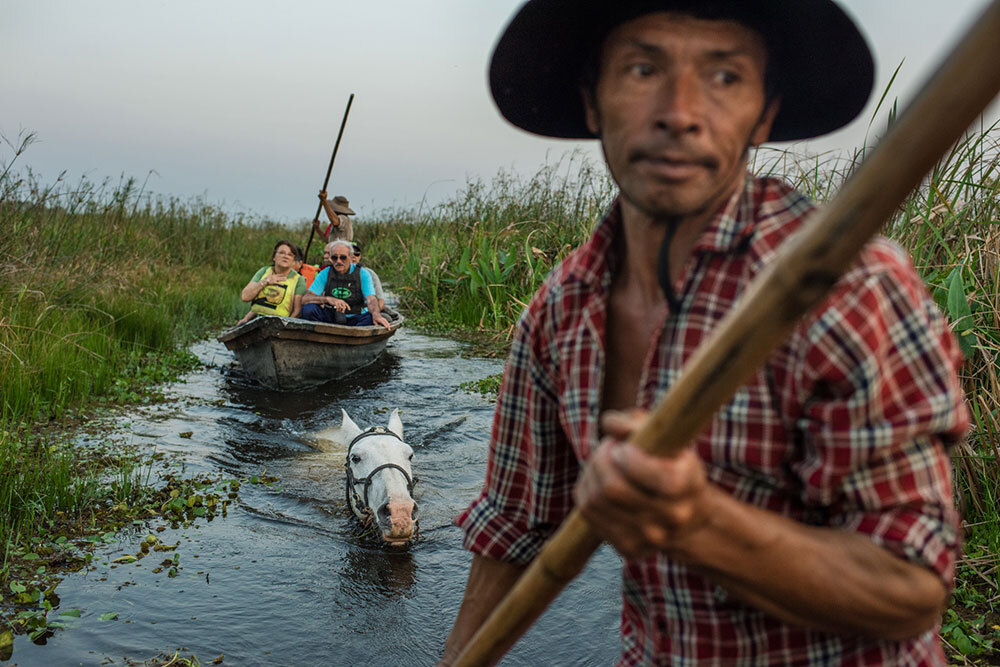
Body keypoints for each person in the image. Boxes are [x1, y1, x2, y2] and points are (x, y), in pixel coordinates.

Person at [442, 1, 969, 665]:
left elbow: (909, 587)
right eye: (641, 68)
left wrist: (699, 522)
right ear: (592, 101)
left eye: (724, 78)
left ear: (765, 114)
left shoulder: (850, 285)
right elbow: (514, 530)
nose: (680, 112)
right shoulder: (560, 312)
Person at [300, 240, 390, 328]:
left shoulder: (363, 273)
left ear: (351, 257)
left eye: (343, 257)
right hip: (331, 316)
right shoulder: (325, 273)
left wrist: (376, 314)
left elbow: (371, 299)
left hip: (356, 317)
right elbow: (305, 299)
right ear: (330, 258)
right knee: (309, 309)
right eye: (334, 258)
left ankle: (354, 335)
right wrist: (327, 299)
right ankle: (321, 333)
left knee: (372, 318)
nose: (338, 261)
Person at [237, 240, 307, 325]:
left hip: (281, 324)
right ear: (274, 257)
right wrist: (265, 281)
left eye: (290, 254)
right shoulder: (264, 271)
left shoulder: (299, 280)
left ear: (293, 260)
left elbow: (297, 311)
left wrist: (284, 327)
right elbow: (245, 297)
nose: (286, 256)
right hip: (258, 321)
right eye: (282, 253)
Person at [351, 242, 386, 312]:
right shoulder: (333, 273)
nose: (353, 256)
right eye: (350, 253)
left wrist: (375, 313)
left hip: (366, 312)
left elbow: (381, 300)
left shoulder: (369, 273)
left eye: (356, 254)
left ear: (360, 257)